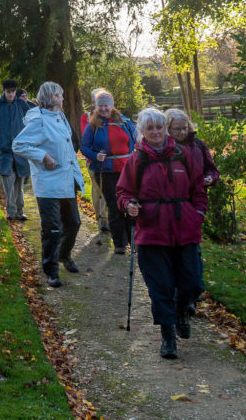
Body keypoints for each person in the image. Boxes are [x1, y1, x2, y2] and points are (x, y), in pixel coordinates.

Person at [117, 108, 207, 360]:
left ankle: (181, 313)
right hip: (152, 232)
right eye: (150, 128)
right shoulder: (137, 160)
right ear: (142, 132)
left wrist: (198, 214)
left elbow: (198, 188)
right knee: (161, 287)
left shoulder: (184, 155)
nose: (155, 132)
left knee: (191, 283)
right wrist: (128, 205)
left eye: (159, 127)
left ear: (165, 129)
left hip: (185, 229)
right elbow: (122, 192)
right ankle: (168, 336)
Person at [13, 82, 84, 287]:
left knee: (73, 223)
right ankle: (51, 271)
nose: (63, 99)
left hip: (66, 179)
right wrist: (42, 155)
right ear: (53, 97)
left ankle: (63, 255)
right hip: (48, 184)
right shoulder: (39, 121)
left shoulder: (60, 117)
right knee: (52, 228)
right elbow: (18, 144)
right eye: (60, 95)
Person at [165, 107, 219, 315]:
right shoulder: (164, 148)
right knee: (175, 252)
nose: (181, 132)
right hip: (171, 206)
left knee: (193, 252)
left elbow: (212, 169)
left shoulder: (197, 145)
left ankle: (190, 296)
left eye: (184, 127)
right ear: (168, 129)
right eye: (176, 129)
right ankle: (178, 295)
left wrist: (210, 179)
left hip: (194, 204)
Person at [80, 90, 137, 254]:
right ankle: (119, 243)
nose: (104, 109)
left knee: (130, 204)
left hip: (127, 170)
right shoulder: (93, 125)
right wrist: (95, 155)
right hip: (105, 171)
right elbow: (84, 146)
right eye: (101, 105)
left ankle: (133, 240)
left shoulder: (124, 121)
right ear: (96, 107)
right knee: (114, 206)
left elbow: (136, 138)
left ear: (112, 106)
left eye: (106, 105)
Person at [0, 78, 31, 221]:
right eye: (8, 92)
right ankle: (11, 211)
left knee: (19, 183)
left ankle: (20, 210)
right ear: (4, 91)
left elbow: (32, 123)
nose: (11, 94)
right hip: (4, 151)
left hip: (20, 151)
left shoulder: (22, 105)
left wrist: (27, 140)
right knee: (8, 183)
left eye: (13, 92)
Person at [81, 88, 108, 234]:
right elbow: (86, 139)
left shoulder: (110, 117)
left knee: (101, 190)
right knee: (100, 190)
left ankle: (102, 219)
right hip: (94, 160)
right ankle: (101, 219)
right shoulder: (86, 117)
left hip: (103, 161)